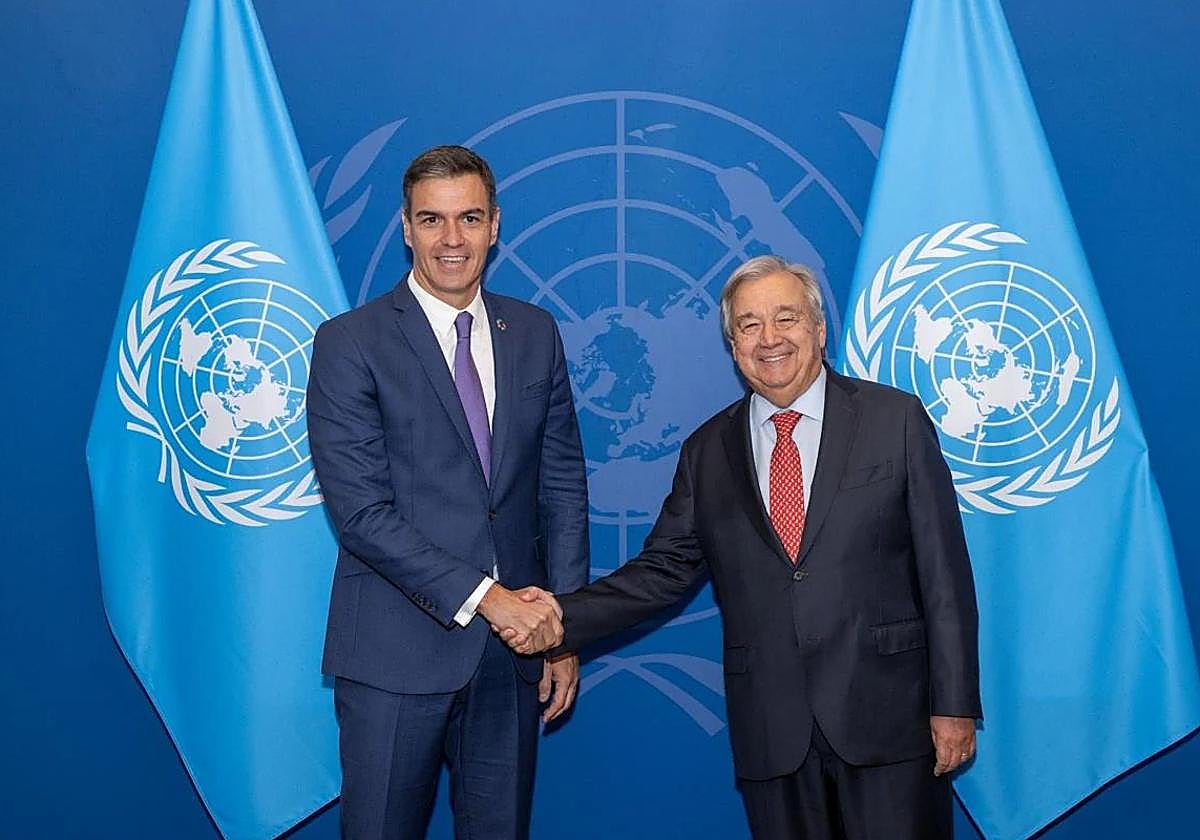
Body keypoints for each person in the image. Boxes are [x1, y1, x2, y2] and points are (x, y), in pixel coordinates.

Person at [510, 256, 981, 840]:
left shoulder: (895, 419)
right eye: (750, 325)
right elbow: (661, 572)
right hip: (773, 732)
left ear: (817, 329)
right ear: (733, 345)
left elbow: (945, 576)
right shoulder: (708, 451)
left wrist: (954, 704)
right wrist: (560, 618)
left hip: (889, 720)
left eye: (786, 318)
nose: (770, 339)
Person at [307, 145, 587, 839]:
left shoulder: (534, 332)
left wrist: (563, 628)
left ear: (496, 225)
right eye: (432, 220)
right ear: (406, 227)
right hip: (394, 655)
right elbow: (362, 515)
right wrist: (491, 600)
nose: (451, 240)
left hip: (512, 660)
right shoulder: (350, 343)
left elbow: (562, 485)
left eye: (468, 218)